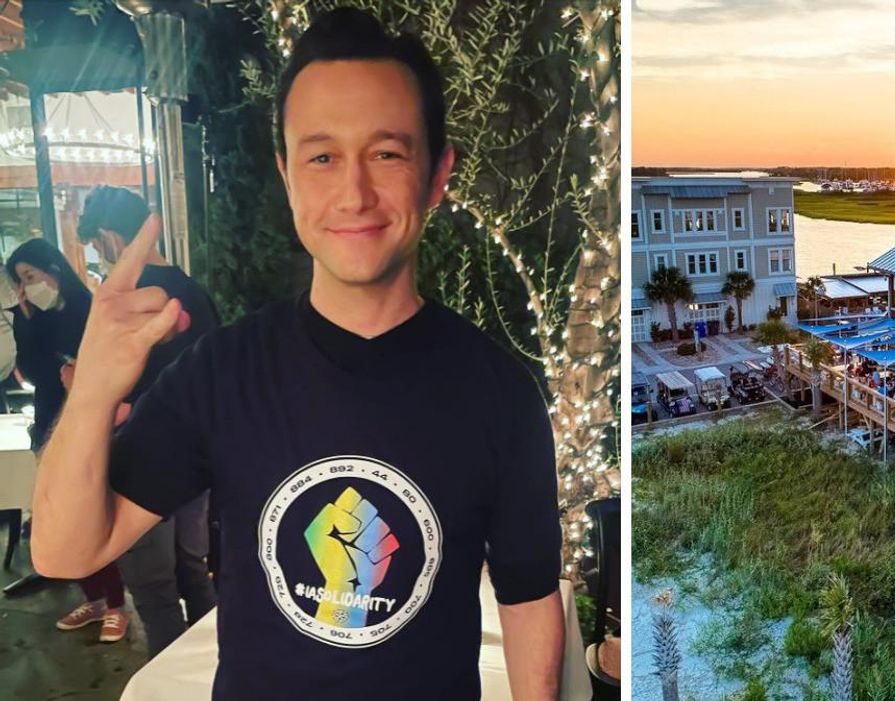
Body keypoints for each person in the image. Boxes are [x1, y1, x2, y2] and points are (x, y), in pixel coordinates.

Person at [31, 9, 563, 700]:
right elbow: (63, 551)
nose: (353, 192)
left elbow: (526, 598)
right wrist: (95, 388)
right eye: (321, 156)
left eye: (388, 153)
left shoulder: (499, 391)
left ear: (437, 176)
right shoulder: (221, 373)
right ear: (286, 175)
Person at [76, 185, 220, 658]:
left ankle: (167, 682)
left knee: (154, 587)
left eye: (97, 246)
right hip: (197, 461)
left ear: (111, 238)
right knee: (193, 570)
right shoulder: (192, 290)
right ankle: (212, 670)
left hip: (141, 462)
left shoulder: (124, 302)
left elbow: (112, 389)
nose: (100, 256)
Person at [5, 239, 129, 643]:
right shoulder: (33, 318)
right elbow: (32, 372)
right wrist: (23, 317)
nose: (27, 288)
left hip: (90, 426)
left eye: (30, 276)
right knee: (65, 516)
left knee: (91, 511)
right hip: (49, 425)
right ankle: (93, 598)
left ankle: (115, 605)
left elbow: (107, 369)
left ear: (52, 269)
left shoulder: (87, 310)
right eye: (18, 282)